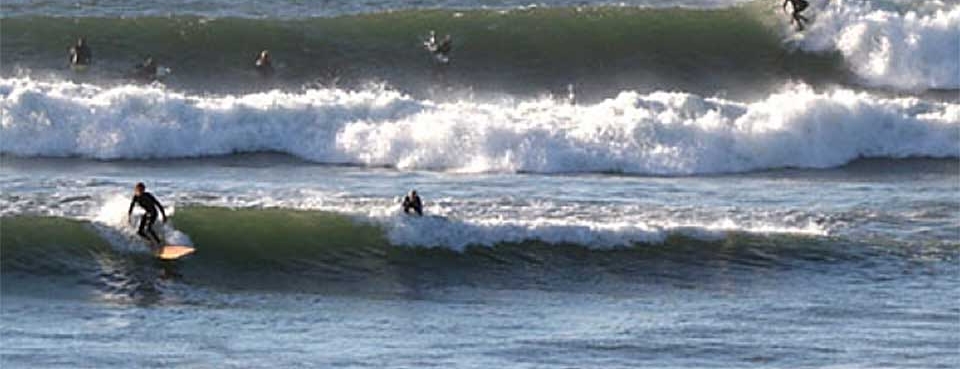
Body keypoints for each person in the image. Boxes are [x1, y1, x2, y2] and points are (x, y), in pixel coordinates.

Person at [128, 182, 167, 247]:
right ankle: (151, 242)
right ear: (136, 190)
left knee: (148, 229)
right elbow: (131, 207)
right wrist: (129, 216)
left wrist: (164, 215)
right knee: (139, 232)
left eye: (142, 190)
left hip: (153, 212)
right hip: (147, 213)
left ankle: (159, 243)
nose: (141, 192)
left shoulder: (148, 195)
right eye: (139, 190)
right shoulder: (135, 197)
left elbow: (158, 205)